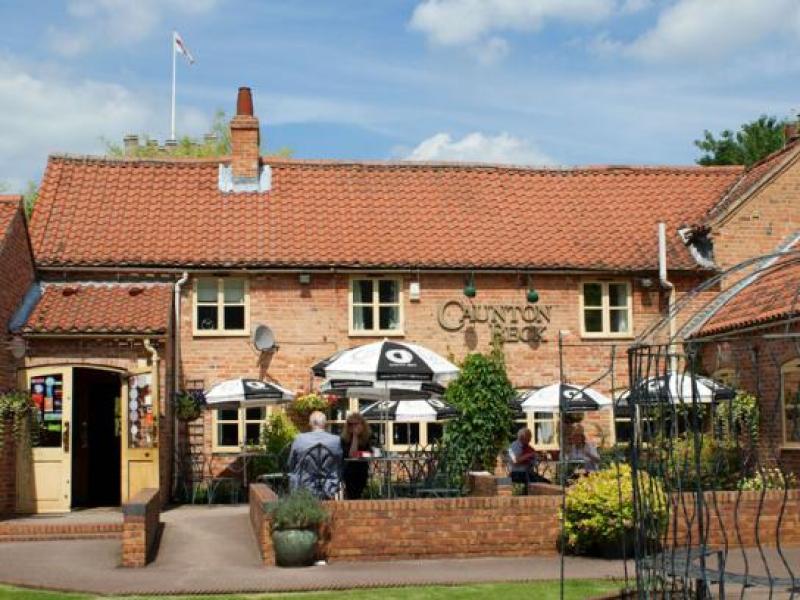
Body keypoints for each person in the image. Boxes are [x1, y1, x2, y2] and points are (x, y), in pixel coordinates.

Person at [287, 410, 343, 498]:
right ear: (325, 424)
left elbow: (290, 463)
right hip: (328, 486)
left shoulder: (300, 439)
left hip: (303, 485)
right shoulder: (336, 440)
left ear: (310, 423)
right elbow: (339, 463)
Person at [340, 413, 374, 499]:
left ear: (362, 425)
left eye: (356, 424)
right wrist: (355, 436)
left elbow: (371, 453)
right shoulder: (345, 439)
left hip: (362, 469)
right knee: (351, 495)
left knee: (359, 494)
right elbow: (351, 454)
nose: (353, 427)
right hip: (349, 470)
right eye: (350, 424)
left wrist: (362, 453)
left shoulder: (367, 437)